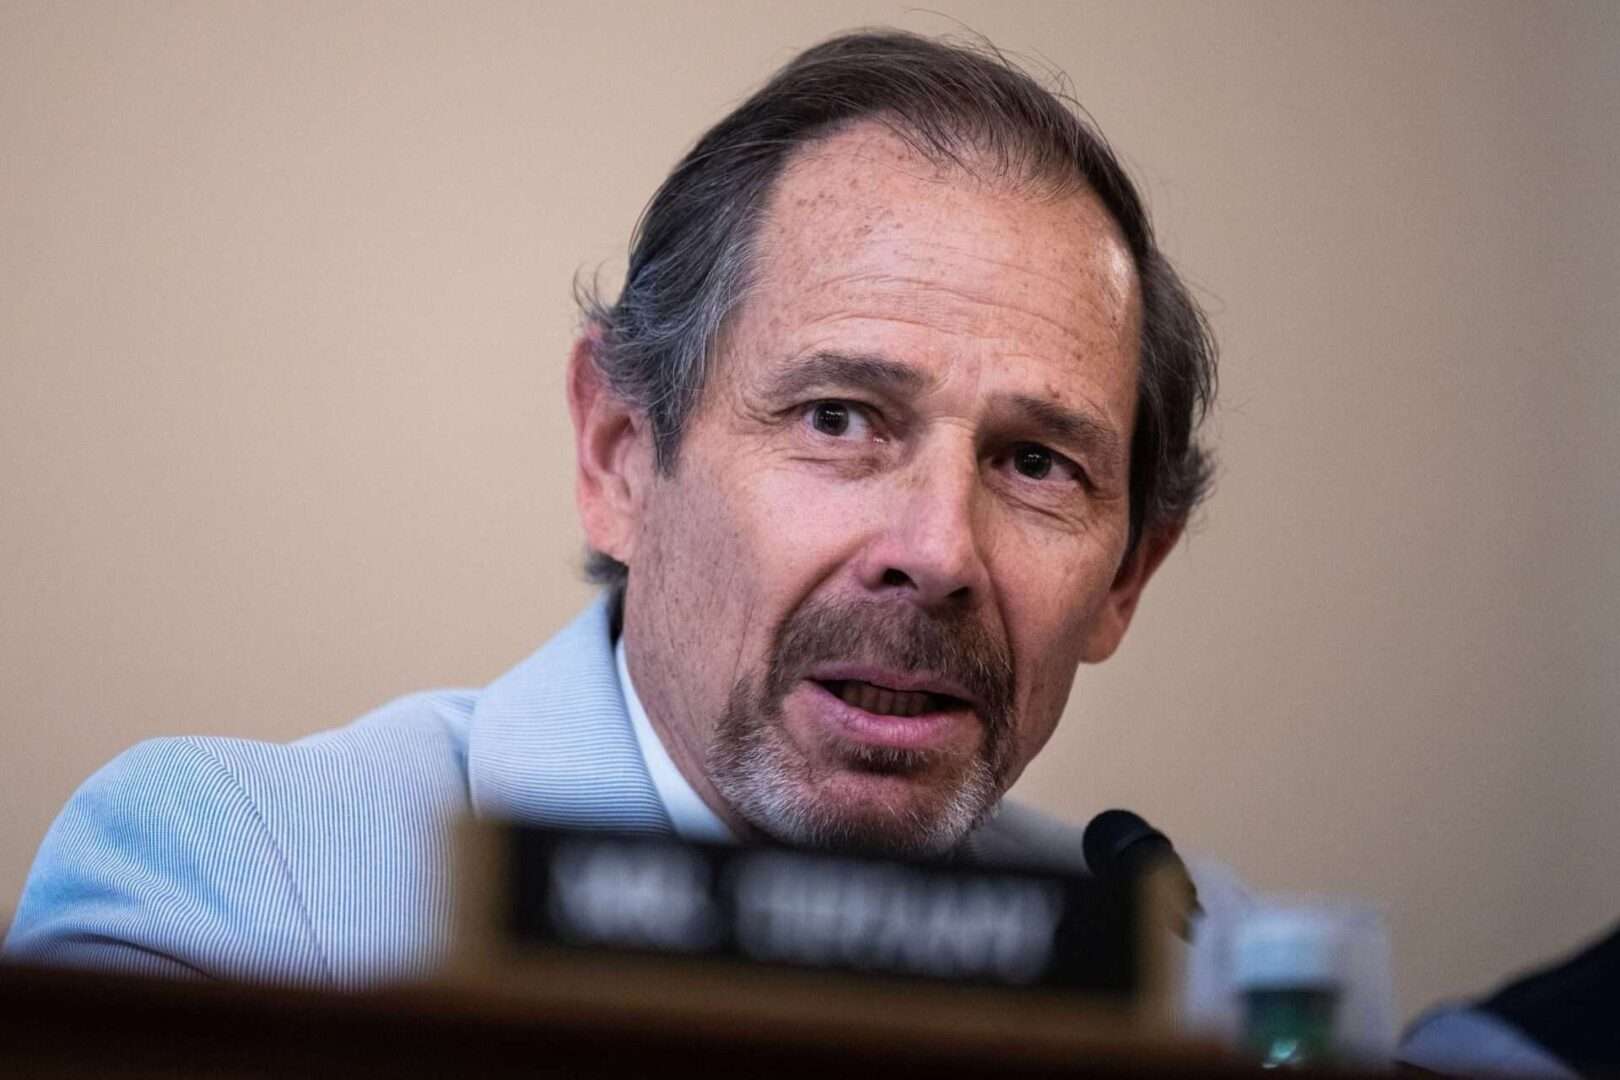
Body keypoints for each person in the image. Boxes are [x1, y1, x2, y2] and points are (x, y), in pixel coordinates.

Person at [4, 29, 1224, 989]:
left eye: (1035, 465)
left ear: (1128, 577)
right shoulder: (233, 892)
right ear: (621, 456)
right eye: (838, 419)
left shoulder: (1173, 969)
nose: (938, 552)